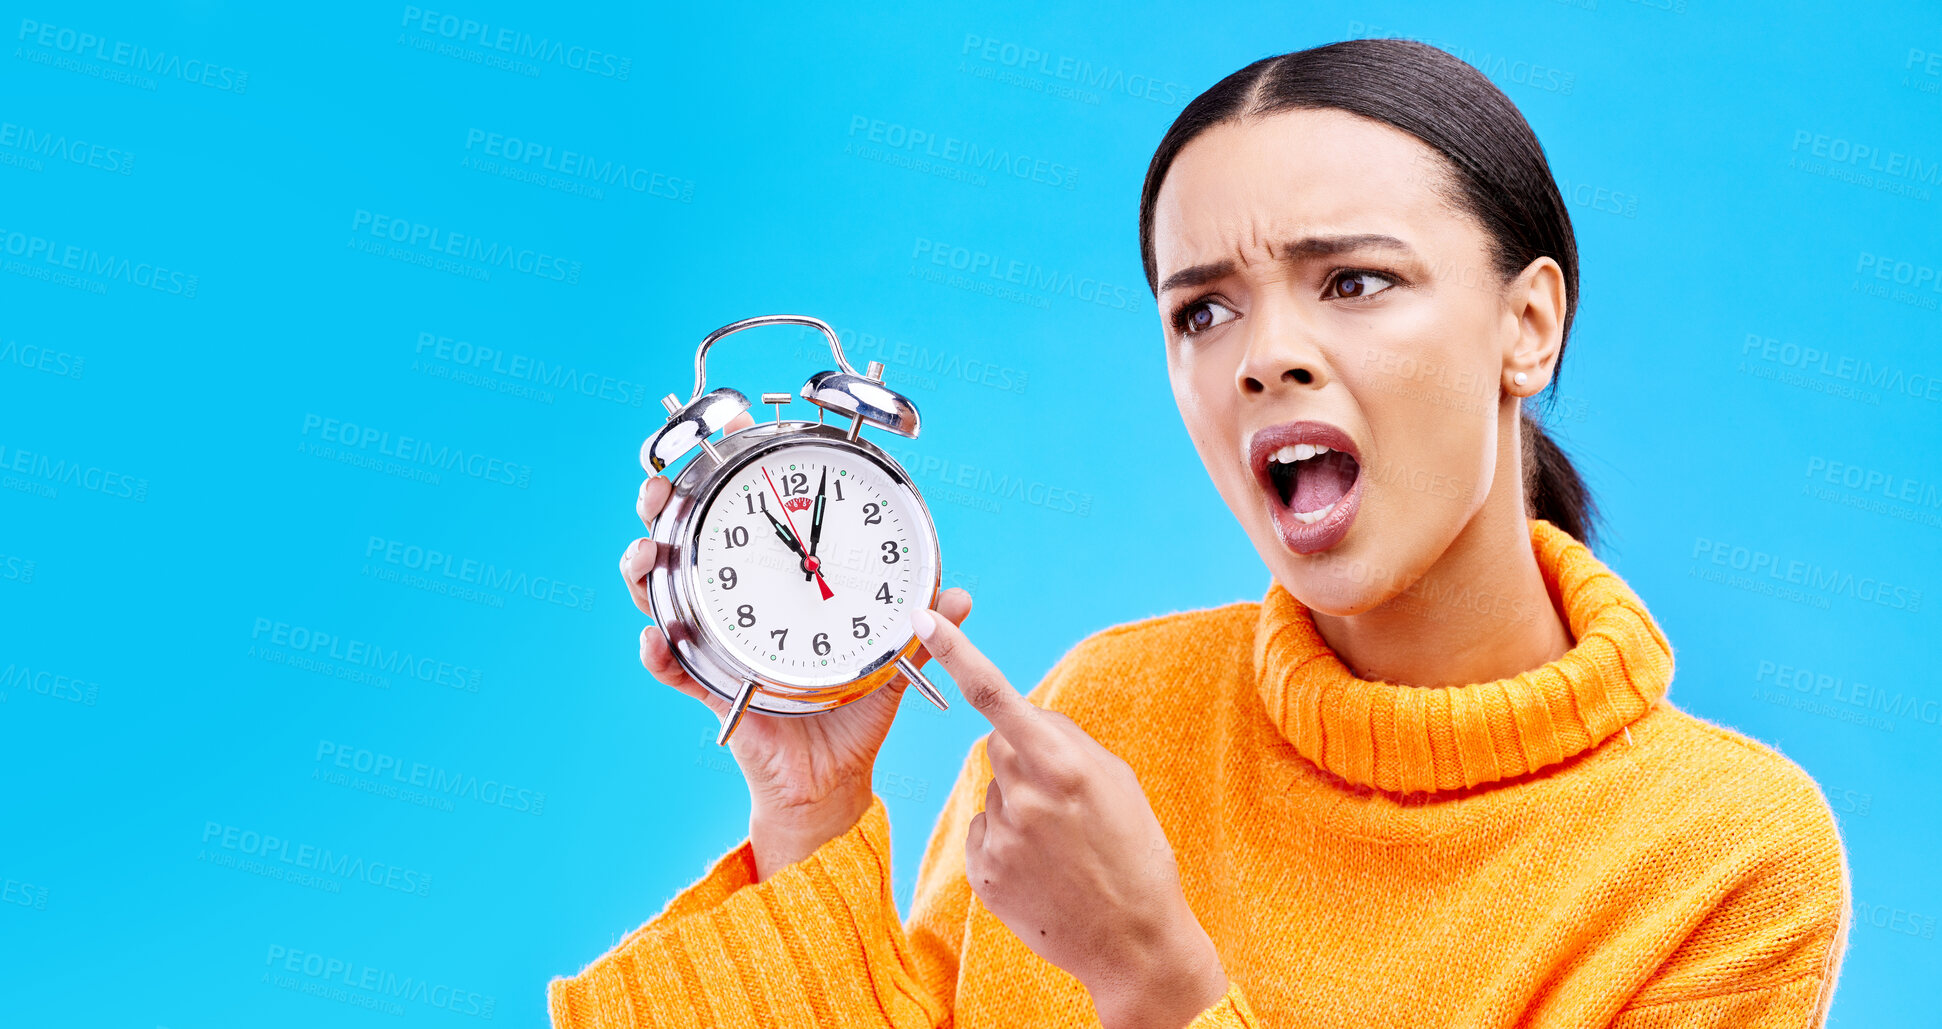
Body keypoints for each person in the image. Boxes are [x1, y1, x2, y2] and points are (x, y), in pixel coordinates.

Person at [561, 38, 1850, 1029]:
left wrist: (1156, 978)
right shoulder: (1107, 711)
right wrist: (813, 808)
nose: (1265, 358)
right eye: (1203, 313)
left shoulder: (1726, 857)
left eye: (1354, 281)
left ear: (1529, 327)